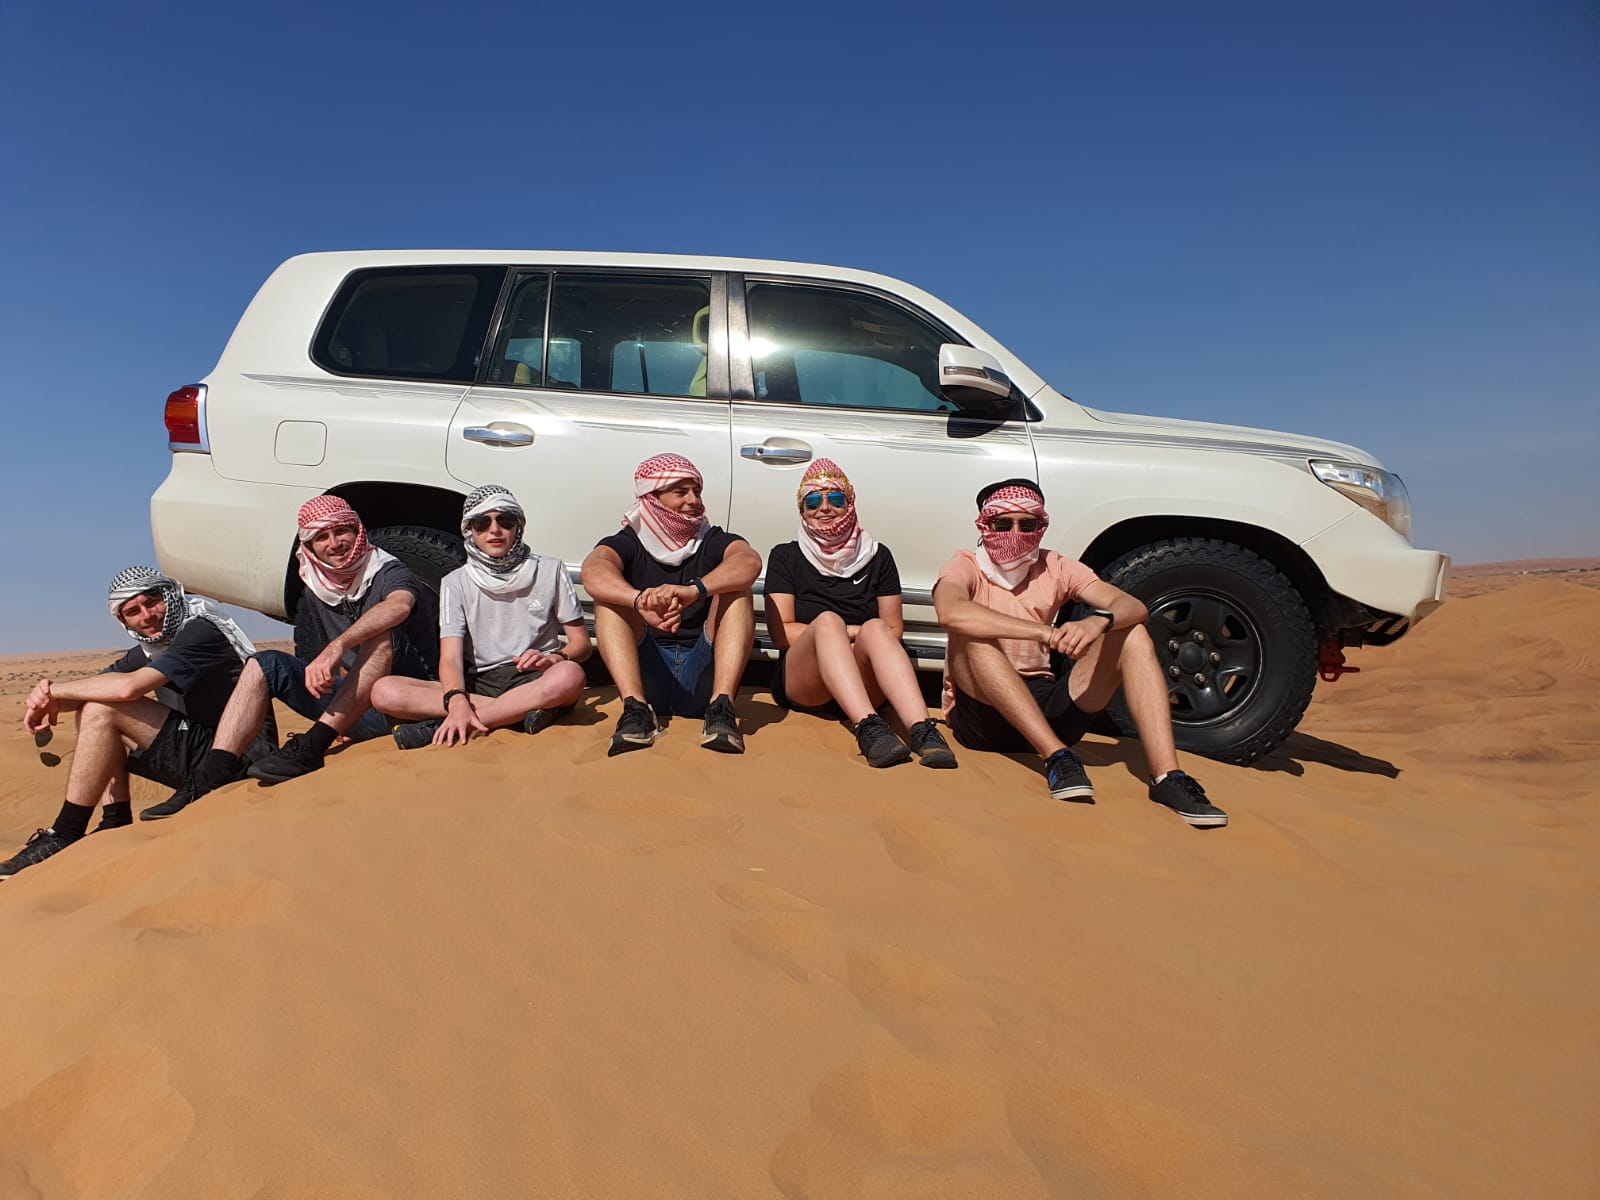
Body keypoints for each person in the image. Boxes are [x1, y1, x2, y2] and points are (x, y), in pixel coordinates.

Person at [932, 479, 1228, 828]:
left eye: (1027, 524)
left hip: (1048, 703)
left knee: (1131, 633)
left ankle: (1168, 777)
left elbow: (1131, 605)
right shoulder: (965, 564)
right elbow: (950, 611)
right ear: (984, 524)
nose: (1015, 532)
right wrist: (1046, 633)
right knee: (973, 636)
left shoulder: (1055, 565)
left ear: (1041, 527)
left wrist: (1097, 623)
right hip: (984, 716)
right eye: (1003, 523)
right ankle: (1056, 757)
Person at [142, 495, 437, 817]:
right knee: (265, 663)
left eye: (342, 532)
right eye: (320, 537)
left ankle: (312, 746)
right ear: (309, 547)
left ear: (358, 531)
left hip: (412, 704)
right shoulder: (317, 588)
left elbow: (398, 606)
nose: (335, 543)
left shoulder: (388, 571)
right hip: (359, 712)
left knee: (379, 636)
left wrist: (337, 647)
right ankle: (210, 776)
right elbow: (315, 665)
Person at [1, 568, 268, 876]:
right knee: (95, 705)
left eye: (152, 601)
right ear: (123, 620)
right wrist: (46, 702)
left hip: (239, 758)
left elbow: (128, 688)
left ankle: (66, 832)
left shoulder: (201, 631)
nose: (146, 615)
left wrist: (52, 691)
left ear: (171, 595)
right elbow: (96, 690)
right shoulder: (151, 648)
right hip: (200, 759)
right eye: (133, 611)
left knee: (104, 708)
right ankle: (114, 819)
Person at [764, 459, 957, 770]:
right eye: (813, 501)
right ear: (802, 510)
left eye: (835, 499)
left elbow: (894, 629)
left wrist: (853, 636)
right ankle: (869, 728)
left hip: (864, 673)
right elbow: (782, 633)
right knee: (828, 622)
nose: (824, 508)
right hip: (806, 682)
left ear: (849, 503)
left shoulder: (878, 556)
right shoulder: (785, 556)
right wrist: (839, 633)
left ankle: (922, 730)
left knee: (877, 629)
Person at [374, 485, 590, 747]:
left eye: (505, 521)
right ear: (470, 531)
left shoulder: (550, 569)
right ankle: (517, 712)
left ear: (518, 526)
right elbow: (451, 657)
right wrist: (456, 699)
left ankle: (445, 727)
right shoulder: (456, 582)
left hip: (538, 675)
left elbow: (581, 644)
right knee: (384, 691)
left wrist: (554, 657)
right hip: (480, 682)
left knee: (570, 675)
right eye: (482, 523)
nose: (495, 530)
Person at [580, 453, 760, 756]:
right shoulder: (629, 541)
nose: (693, 500)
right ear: (653, 497)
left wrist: (694, 591)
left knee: (738, 590)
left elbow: (749, 561)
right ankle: (635, 710)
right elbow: (592, 570)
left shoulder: (711, 539)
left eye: (697, 491)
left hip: (703, 670)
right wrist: (638, 602)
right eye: (681, 491)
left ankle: (721, 708)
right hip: (649, 672)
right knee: (608, 599)